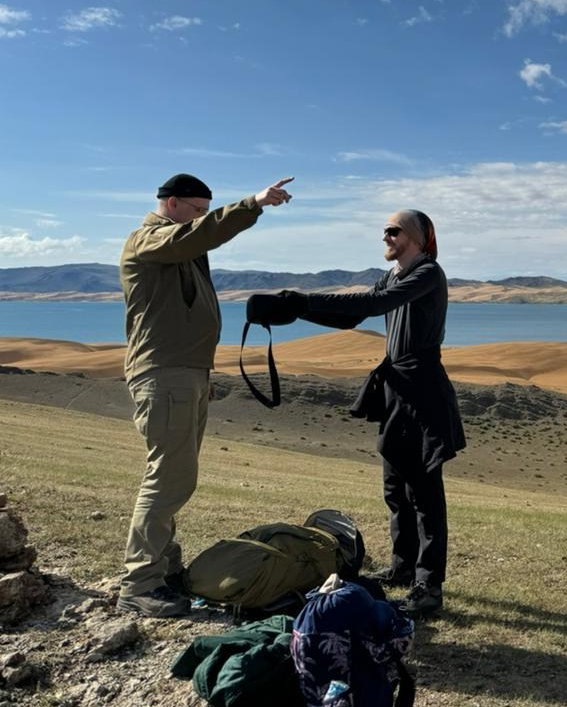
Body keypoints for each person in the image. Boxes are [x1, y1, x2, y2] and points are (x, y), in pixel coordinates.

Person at [117, 172, 294, 617]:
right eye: (196, 210)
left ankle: (164, 569)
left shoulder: (178, 247)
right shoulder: (148, 240)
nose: (199, 220)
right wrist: (252, 204)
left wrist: (200, 372)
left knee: (176, 478)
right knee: (168, 478)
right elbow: (199, 236)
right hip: (164, 374)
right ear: (172, 203)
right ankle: (140, 583)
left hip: (185, 374)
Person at [277, 209, 465, 618]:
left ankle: (428, 586)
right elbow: (354, 316)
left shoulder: (427, 273)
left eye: (393, 231)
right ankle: (401, 566)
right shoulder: (394, 274)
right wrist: (295, 310)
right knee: (395, 487)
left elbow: (378, 302)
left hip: (424, 392)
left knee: (425, 494)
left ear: (415, 237)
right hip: (396, 389)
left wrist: (304, 300)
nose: (386, 236)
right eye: (385, 230)